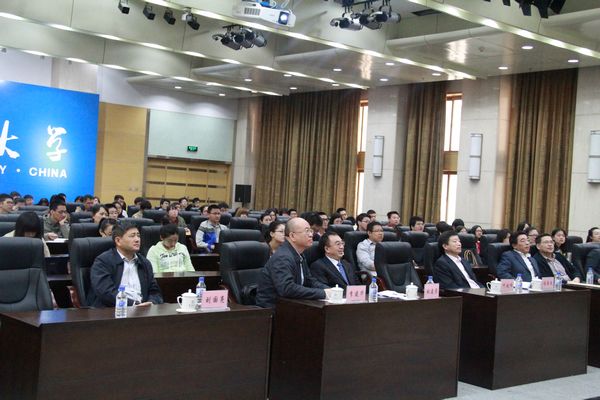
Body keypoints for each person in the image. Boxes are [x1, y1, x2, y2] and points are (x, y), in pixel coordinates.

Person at [255, 218, 333, 308]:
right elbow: (287, 288)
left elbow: (309, 280)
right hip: (273, 309)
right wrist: (323, 293)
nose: (311, 234)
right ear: (292, 236)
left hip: (292, 305)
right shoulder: (283, 257)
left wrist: (329, 290)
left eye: (311, 231)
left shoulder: (299, 254)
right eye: (307, 231)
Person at [89, 222, 163, 307]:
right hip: (113, 310)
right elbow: (105, 292)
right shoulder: (103, 261)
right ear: (118, 241)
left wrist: (151, 302)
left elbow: (155, 291)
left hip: (143, 310)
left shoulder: (144, 263)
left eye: (138, 236)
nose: (137, 239)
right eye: (132, 236)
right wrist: (133, 304)